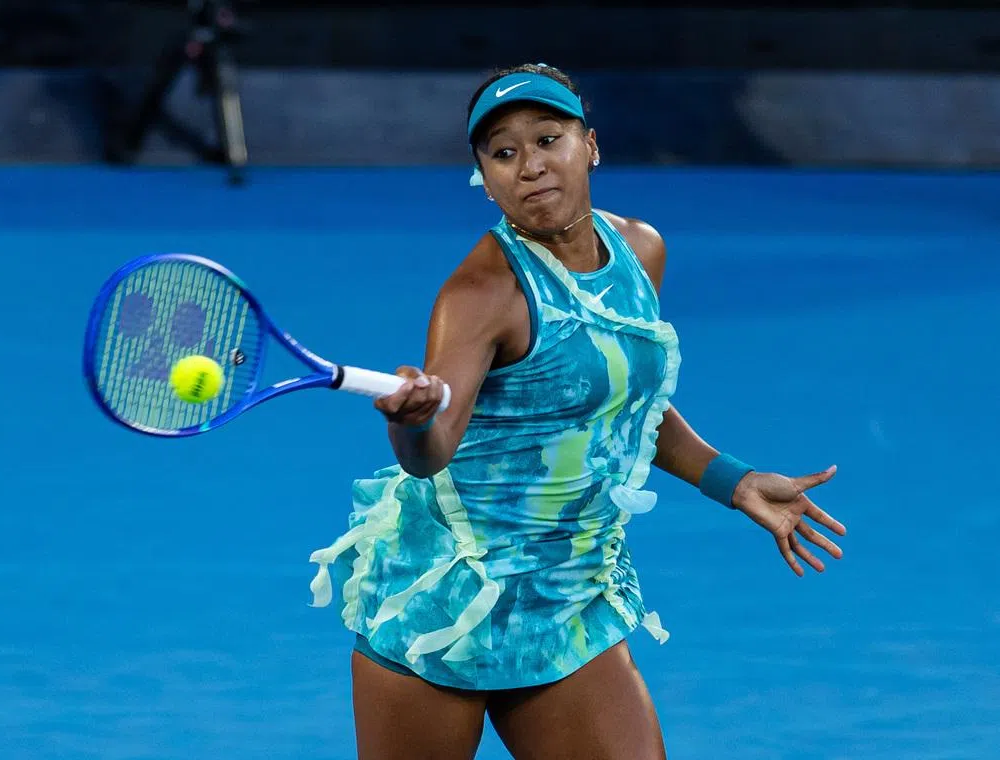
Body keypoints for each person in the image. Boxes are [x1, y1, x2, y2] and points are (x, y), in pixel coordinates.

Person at [308, 63, 847, 760]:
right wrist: (409, 421)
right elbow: (431, 450)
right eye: (503, 153)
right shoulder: (481, 293)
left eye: (547, 139)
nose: (528, 166)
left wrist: (734, 482)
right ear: (483, 175)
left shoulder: (639, 250)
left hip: (568, 598)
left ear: (589, 145)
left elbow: (625, 406)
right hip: (444, 600)